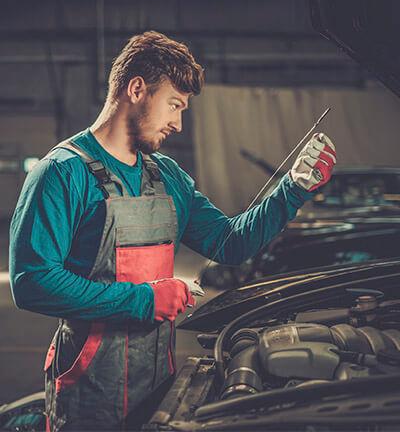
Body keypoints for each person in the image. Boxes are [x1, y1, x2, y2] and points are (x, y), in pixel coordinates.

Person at [9, 31, 336, 431]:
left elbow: (229, 243)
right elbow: (32, 282)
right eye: (174, 105)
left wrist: (293, 189)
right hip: (88, 393)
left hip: (159, 384)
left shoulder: (167, 177)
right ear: (136, 89)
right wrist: (145, 300)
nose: (178, 124)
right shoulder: (62, 172)